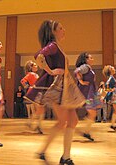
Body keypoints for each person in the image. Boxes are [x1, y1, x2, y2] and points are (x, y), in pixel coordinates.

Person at [24, 20, 85, 165]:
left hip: (65, 86)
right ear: (53, 32)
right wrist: (50, 71)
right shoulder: (52, 46)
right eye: (61, 28)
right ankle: (55, 154)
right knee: (63, 121)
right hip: (58, 87)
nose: (64, 30)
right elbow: (39, 56)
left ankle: (63, 156)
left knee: (73, 121)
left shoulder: (57, 47)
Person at [74, 52, 100, 141]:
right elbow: (77, 71)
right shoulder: (86, 66)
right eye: (91, 58)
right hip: (88, 93)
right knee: (92, 111)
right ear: (86, 59)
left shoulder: (88, 67)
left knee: (93, 112)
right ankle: (85, 131)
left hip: (90, 93)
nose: (92, 59)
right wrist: (81, 81)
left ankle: (86, 131)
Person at [20, 60, 45, 133]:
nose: (36, 66)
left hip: (38, 92)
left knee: (40, 110)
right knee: (40, 109)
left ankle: (36, 125)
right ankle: (34, 124)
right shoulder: (31, 74)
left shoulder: (35, 74)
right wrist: (29, 87)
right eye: (34, 65)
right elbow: (23, 81)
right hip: (35, 92)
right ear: (31, 67)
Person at [103, 65, 116, 131]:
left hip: (115, 95)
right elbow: (106, 86)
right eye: (112, 68)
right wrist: (111, 90)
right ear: (110, 71)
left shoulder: (112, 77)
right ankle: (114, 125)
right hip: (114, 96)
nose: (114, 68)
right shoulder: (110, 78)